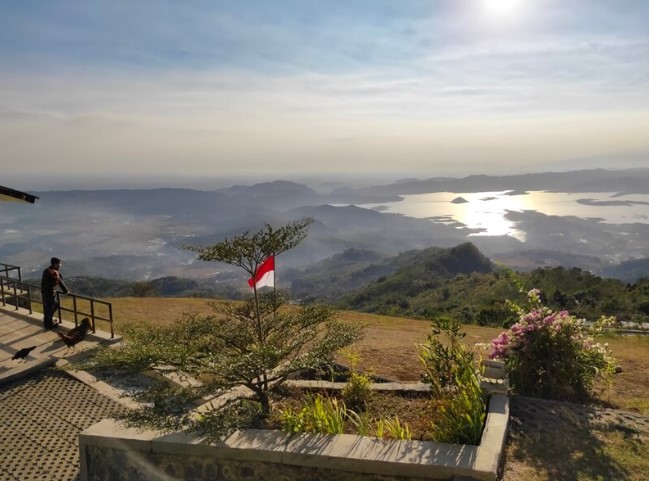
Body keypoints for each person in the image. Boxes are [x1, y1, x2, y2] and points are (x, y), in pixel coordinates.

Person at [41, 257, 70, 329]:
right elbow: (60, 282)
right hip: (50, 293)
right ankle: (48, 325)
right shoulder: (54, 272)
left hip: (44, 292)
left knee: (51, 307)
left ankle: (49, 320)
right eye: (59, 263)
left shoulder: (47, 270)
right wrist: (66, 291)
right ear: (55, 264)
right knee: (50, 308)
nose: (60, 265)